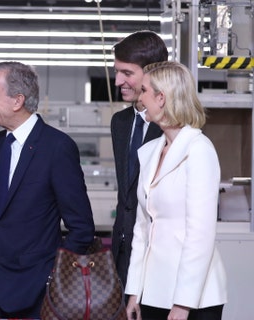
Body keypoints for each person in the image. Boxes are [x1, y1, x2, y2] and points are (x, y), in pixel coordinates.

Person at [0, 61, 95, 318]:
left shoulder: (57, 147)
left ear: (17, 100)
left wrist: (54, 277)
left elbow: (81, 228)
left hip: (35, 290)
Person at [125, 61, 227, 320]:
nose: (140, 96)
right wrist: (135, 290)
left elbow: (200, 235)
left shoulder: (198, 150)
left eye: (145, 90)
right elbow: (142, 229)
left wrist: (183, 304)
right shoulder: (150, 152)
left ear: (161, 98)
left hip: (193, 298)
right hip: (153, 292)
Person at [110, 30, 168, 288]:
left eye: (127, 73)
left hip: (160, 254)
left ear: (151, 73)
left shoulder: (173, 127)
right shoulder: (119, 123)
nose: (117, 81)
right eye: (116, 71)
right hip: (123, 252)